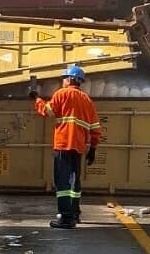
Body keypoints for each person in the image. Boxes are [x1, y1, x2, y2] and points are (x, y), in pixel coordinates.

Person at [30, 64, 101, 229]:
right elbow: (96, 129)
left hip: (63, 144)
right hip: (79, 146)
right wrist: (93, 149)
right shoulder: (87, 100)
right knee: (74, 181)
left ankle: (66, 218)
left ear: (70, 79)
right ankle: (75, 214)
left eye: (64, 78)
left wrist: (36, 99)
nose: (62, 81)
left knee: (62, 183)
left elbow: (47, 111)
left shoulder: (62, 94)